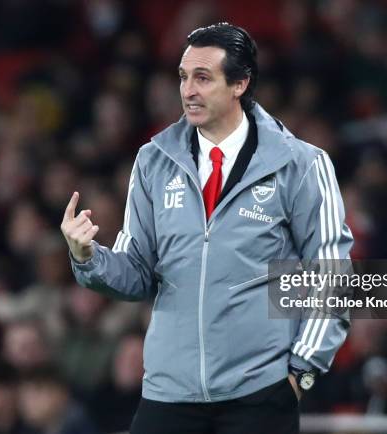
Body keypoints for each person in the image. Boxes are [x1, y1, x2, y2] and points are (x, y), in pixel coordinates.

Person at [61, 22, 353, 434]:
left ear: (240, 83)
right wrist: (87, 257)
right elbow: (137, 273)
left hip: (259, 396)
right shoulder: (153, 161)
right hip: (168, 394)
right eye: (183, 77)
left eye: (202, 77)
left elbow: (333, 276)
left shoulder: (301, 164)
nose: (187, 90)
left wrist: (300, 374)